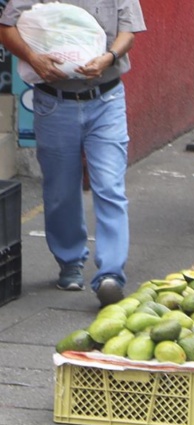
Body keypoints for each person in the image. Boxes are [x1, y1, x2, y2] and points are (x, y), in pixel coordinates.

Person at [0, 0, 146, 306]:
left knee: (110, 186)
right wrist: (33, 58)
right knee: (60, 189)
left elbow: (128, 31)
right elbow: (6, 27)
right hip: (55, 102)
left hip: (106, 99)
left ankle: (110, 274)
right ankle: (69, 261)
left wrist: (109, 57)